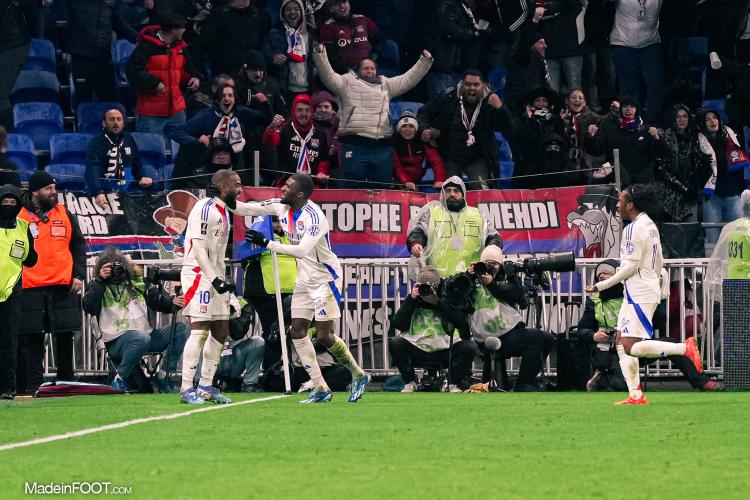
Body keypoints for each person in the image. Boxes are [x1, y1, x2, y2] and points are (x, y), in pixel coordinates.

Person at [238, 173, 372, 403]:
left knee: (324, 335)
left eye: (288, 186)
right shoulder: (281, 207)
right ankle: (320, 387)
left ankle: (359, 375)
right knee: (296, 330)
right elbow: (247, 209)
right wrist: (224, 198)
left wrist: (267, 243)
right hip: (304, 279)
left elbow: (301, 250)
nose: (282, 188)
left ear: (299, 194)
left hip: (324, 279)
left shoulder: (315, 217)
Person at [585, 184, 704, 405]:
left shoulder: (632, 229)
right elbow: (657, 261)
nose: (618, 205)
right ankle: (635, 395)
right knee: (621, 343)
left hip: (639, 291)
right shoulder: (649, 224)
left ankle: (684, 348)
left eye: (621, 200)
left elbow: (629, 267)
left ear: (630, 205)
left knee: (630, 346)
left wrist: (600, 286)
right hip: (643, 289)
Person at [579, 259, 722, 392]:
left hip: (638, 346)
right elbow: (581, 331)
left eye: (607, 274)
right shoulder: (595, 301)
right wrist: (594, 336)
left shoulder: (634, 294)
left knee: (672, 345)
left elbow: (659, 321)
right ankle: (602, 379)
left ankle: (703, 382)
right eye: (600, 276)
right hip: (609, 352)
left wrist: (653, 300)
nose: (603, 277)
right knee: (624, 387)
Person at [313, 43, 433, 188]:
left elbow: (408, 80)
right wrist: (320, 55)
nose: (370, 71)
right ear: (358, 70)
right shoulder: (346, 81)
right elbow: (328, 77)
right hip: (354, 144)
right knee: (352, 187)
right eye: (366, 68)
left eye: (372, 68)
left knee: (381, 189)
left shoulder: (386, 84)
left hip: (381, 146)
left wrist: (424, 61)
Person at [16, 171, 87, 394]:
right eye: (48, 189)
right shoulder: (19, 215)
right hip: (30, 286)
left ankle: (67, 382)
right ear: (35, 191)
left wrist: (79, 274)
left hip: (62, 285)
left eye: (54, 189)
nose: (53, 193)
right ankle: (34, 385)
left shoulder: (64, 212)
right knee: (32, 340)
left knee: (65, 336)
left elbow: (78, 245)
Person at [178, 169, 244, 405]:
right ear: (223, 187)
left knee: (221, 329)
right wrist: (213, 278)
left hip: (215, 274)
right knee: (200, 328)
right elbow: (197, 246)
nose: (240, 189)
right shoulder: (204, 208)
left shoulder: (224, 210)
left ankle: (206, 385)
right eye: (237, 184)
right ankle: (186, 388)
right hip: (199, 273)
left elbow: (249, 209)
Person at [82, 247, 188, 393]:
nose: (116, 271)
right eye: (110, 268)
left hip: (146, 336)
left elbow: (159, 303)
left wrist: (172, 302)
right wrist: (99, 280)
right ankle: (119, 380)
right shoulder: (97, 285)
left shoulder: (137, 283)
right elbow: (88, 307)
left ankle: (163, 376)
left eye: (119, 267)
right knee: (141, 338)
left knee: (181, 329)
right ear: (101, 269)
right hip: (117, 341)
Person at [469, 245, 554, 391]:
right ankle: (523, 385)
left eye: (494, 264)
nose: (490, 267)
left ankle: (525, 380)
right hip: (486, 336)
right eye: (486, 263)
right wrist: (468, 275)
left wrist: (510, 276)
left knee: (548, 338)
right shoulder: (471, 281)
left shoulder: (504, 278)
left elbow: (519, 300)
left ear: (500, 265)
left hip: (508, 332)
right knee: (537, 338)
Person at [418, 69, 513, 190]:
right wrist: (424, 129)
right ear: (462, 84)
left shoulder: (490, 100)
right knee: (451, 190)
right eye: (468, 84)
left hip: (477, 157)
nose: (471, 88)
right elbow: (424, 112)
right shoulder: (448, 95)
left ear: (483, 85)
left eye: (476, 85)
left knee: (481, 189)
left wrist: (500, 108)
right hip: (449, 155)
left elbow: (508, 126)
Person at [389, 266, 477, 392]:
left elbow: (462, 323)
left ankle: (452, 383)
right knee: (395, 342)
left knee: (469, 347)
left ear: (438, 285)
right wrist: (411, 300)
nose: (427, 290)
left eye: (431, 286)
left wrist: (439, 303)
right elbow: (398, 324)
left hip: (445, 350)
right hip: (418, 348)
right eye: (423, 286)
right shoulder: (414, 299)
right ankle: (410, 382)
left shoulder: (447, 297)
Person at [166, 82, 271, 185]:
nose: (227, 98)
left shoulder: (241, 112)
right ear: (217, 99)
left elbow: (266, 119)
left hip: (231, 168)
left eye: (230, 95)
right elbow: (173, 131)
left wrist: (264, 102)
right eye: (223, 95)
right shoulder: (206, 116)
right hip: (202, 169)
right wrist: (197, 140)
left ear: (235, 99)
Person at [406, 176, 502, 279]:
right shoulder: (432, 213)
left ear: (463, 194)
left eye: (456, 191)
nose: (452, 194)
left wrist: (492, 250)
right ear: (443, 193)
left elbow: (494, 236)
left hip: (472, 279)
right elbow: (419, 231)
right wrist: (415, 242)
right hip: (440, 281)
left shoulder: (478, 215)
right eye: (448, 190)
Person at [126, 14, 201, 136]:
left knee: (180, 153)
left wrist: (194, 77)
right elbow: (132, 70)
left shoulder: (181, 47)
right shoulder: (146, 46)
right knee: (150, 151)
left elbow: (188, 69)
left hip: (177, 112)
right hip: (151, 114)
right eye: (182, 27)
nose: (184, 30)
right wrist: (154, 83)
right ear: (173, 30)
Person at [0, 184, 37, 399]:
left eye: (12, 203)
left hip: (12, 290)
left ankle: (7, 388)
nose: (8, 206)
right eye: (4, 202)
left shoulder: (24, 227)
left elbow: (32, 260)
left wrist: (28, 250)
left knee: (9, 342)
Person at [66, 0, 138, 103]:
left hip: (104, 60)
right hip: (82, 60)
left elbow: (120, 25)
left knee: (110, 102)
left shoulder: (108, 7)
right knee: (83, 102)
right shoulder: (75, 3)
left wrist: (139, 38)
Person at [695, 107, 747, 244]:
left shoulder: (732, 136)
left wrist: (739, 189)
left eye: (714, 118)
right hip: (712, 196)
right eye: (708, 119)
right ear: (703, 123)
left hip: (733, 194)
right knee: (713, 239)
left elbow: (740, 166)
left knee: (738, 238)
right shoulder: (698, 142)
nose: (713, 121)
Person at [609, 0, 665, 126]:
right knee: (628, 88)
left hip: (650, 43)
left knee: (655, 83)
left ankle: (651, 124)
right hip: (623, 43)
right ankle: (627, 123)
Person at [585, 96, 661, 186]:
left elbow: (658, 154)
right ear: (621, 109)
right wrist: (590, 137)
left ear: (637, 109)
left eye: (632, 106)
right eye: (625, 106)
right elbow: (596, 150)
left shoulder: (646, 130)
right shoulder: (611, 129)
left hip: (640, 185)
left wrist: (657, 139)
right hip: (617, 183)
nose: (628, 109)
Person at [655, 104, 712, 222]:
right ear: (674, 119)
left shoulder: (696, 137)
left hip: (690, 194)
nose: (682, 120)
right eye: (678, 117)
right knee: (671, 235)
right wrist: (682, 187)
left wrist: (692, 186)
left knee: (691, 233)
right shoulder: (666, 138)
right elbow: (661, 169)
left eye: (685, 116)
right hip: (669, 194)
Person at [85, 108, 152, 208]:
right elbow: (93, 169)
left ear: (123, 123)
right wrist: (98, 192)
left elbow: (137, 163)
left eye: (119, 119)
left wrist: (141, 176)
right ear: (104, 123)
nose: (116, 122)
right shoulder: (97, 143)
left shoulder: (128, 139)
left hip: (125, 194)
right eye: (112, 119)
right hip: (103, 195)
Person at [262, 94, 331, 186]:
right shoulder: (285, 129)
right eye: (299, 110)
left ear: (312, 112)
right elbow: (269, 142)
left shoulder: (320, 134)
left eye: (307, 110)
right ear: (293, 111)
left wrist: (322, 172)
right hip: (285, 184)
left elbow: (323, 159)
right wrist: (272, 127)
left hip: (312, 186)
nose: (304, 114)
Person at [191, 0, 271, 76]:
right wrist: (197, 74)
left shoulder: (259, 16)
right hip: (225, 74)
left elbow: (263, 45)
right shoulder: (218, 15)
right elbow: (201, 45)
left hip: (252, 74)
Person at [423, 0, 482, 98]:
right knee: (442, 101)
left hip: (457, 65)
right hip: (443, 63)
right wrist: (473, 33)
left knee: (455, 104)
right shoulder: (445, 4)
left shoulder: (464, 5)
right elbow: (448, 29)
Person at [264, 0, 315, 102]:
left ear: (302, 12)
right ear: (283, 13)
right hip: (284, 89)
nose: (292, 12)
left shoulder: (310, 33)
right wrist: (273, 58)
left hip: (309, 89)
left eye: (296, 9)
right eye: (288, 9)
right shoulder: (274, 32)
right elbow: (264, 54)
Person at [318, 0, 384, 74]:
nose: (342, 6)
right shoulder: (328, 27)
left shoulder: (363, 20)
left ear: (349, 5)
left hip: (367, 71)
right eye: (336, 4)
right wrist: (348, 72)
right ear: (331, 9)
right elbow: (330, 57)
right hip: (344, 75)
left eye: (344, 2)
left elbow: (380, 41)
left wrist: (372, 60)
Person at [392, 110, 446, 191]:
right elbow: (397, 167)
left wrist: (439, 180)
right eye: (404, 126)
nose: (407, 129)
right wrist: (406, 182)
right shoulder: (394, 144)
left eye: (411, 126)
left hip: (419, 181)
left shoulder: (423, 142)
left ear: (416, 129)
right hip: (399, 181)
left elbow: (436, 162)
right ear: (399, 129)